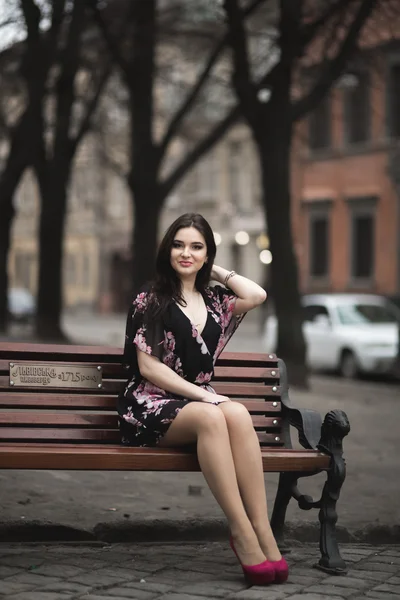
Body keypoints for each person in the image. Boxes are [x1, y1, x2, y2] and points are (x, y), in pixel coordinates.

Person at [118, 213, 288, 586]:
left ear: (208, 254)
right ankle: (241, 531)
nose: (186, 253)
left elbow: (256, 294)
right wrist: (204, 396)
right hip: (148, 404)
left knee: (239, 414)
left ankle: (263, 529)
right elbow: (149, 368)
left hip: (195, 403)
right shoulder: (152, 299)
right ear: (167, 249)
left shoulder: (216, 302)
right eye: (178, 245)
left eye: (196, 247)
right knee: (214, 417)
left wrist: (213, 270)